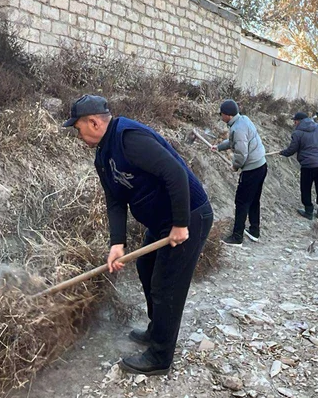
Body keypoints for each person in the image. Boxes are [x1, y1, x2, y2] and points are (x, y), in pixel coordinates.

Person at [62, 94, 213, 376]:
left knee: (167, 285)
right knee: (146, 267)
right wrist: (117, 243)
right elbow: (115, 201)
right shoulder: (103, 157)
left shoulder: (129, 138)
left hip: (190, 215)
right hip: (162, 222)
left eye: (78, 128)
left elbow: (176, 174)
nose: (78, 135)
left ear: (93, 122)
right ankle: (158, 330)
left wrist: (181, 224)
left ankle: (160, 357)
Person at [210, 99, 267, 245]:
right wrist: (219, 147)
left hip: (252, 170)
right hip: (261, 165)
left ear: (227, 115)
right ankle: (254, 231)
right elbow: (233, 142)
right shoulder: (243, 120)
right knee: (254, 200)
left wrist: (235, 166)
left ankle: (237, 237)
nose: (221, 116)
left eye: (221, 114)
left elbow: (241, 153)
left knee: (241, 201)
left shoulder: (237, 128)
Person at [280, 112, 318, 220]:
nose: (294, 123)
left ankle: (308, 211)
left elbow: (292, 149)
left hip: (308, 164)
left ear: (299, 121)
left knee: (306, 188)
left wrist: (283, 152)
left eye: (295, 121)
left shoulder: (297, 133)